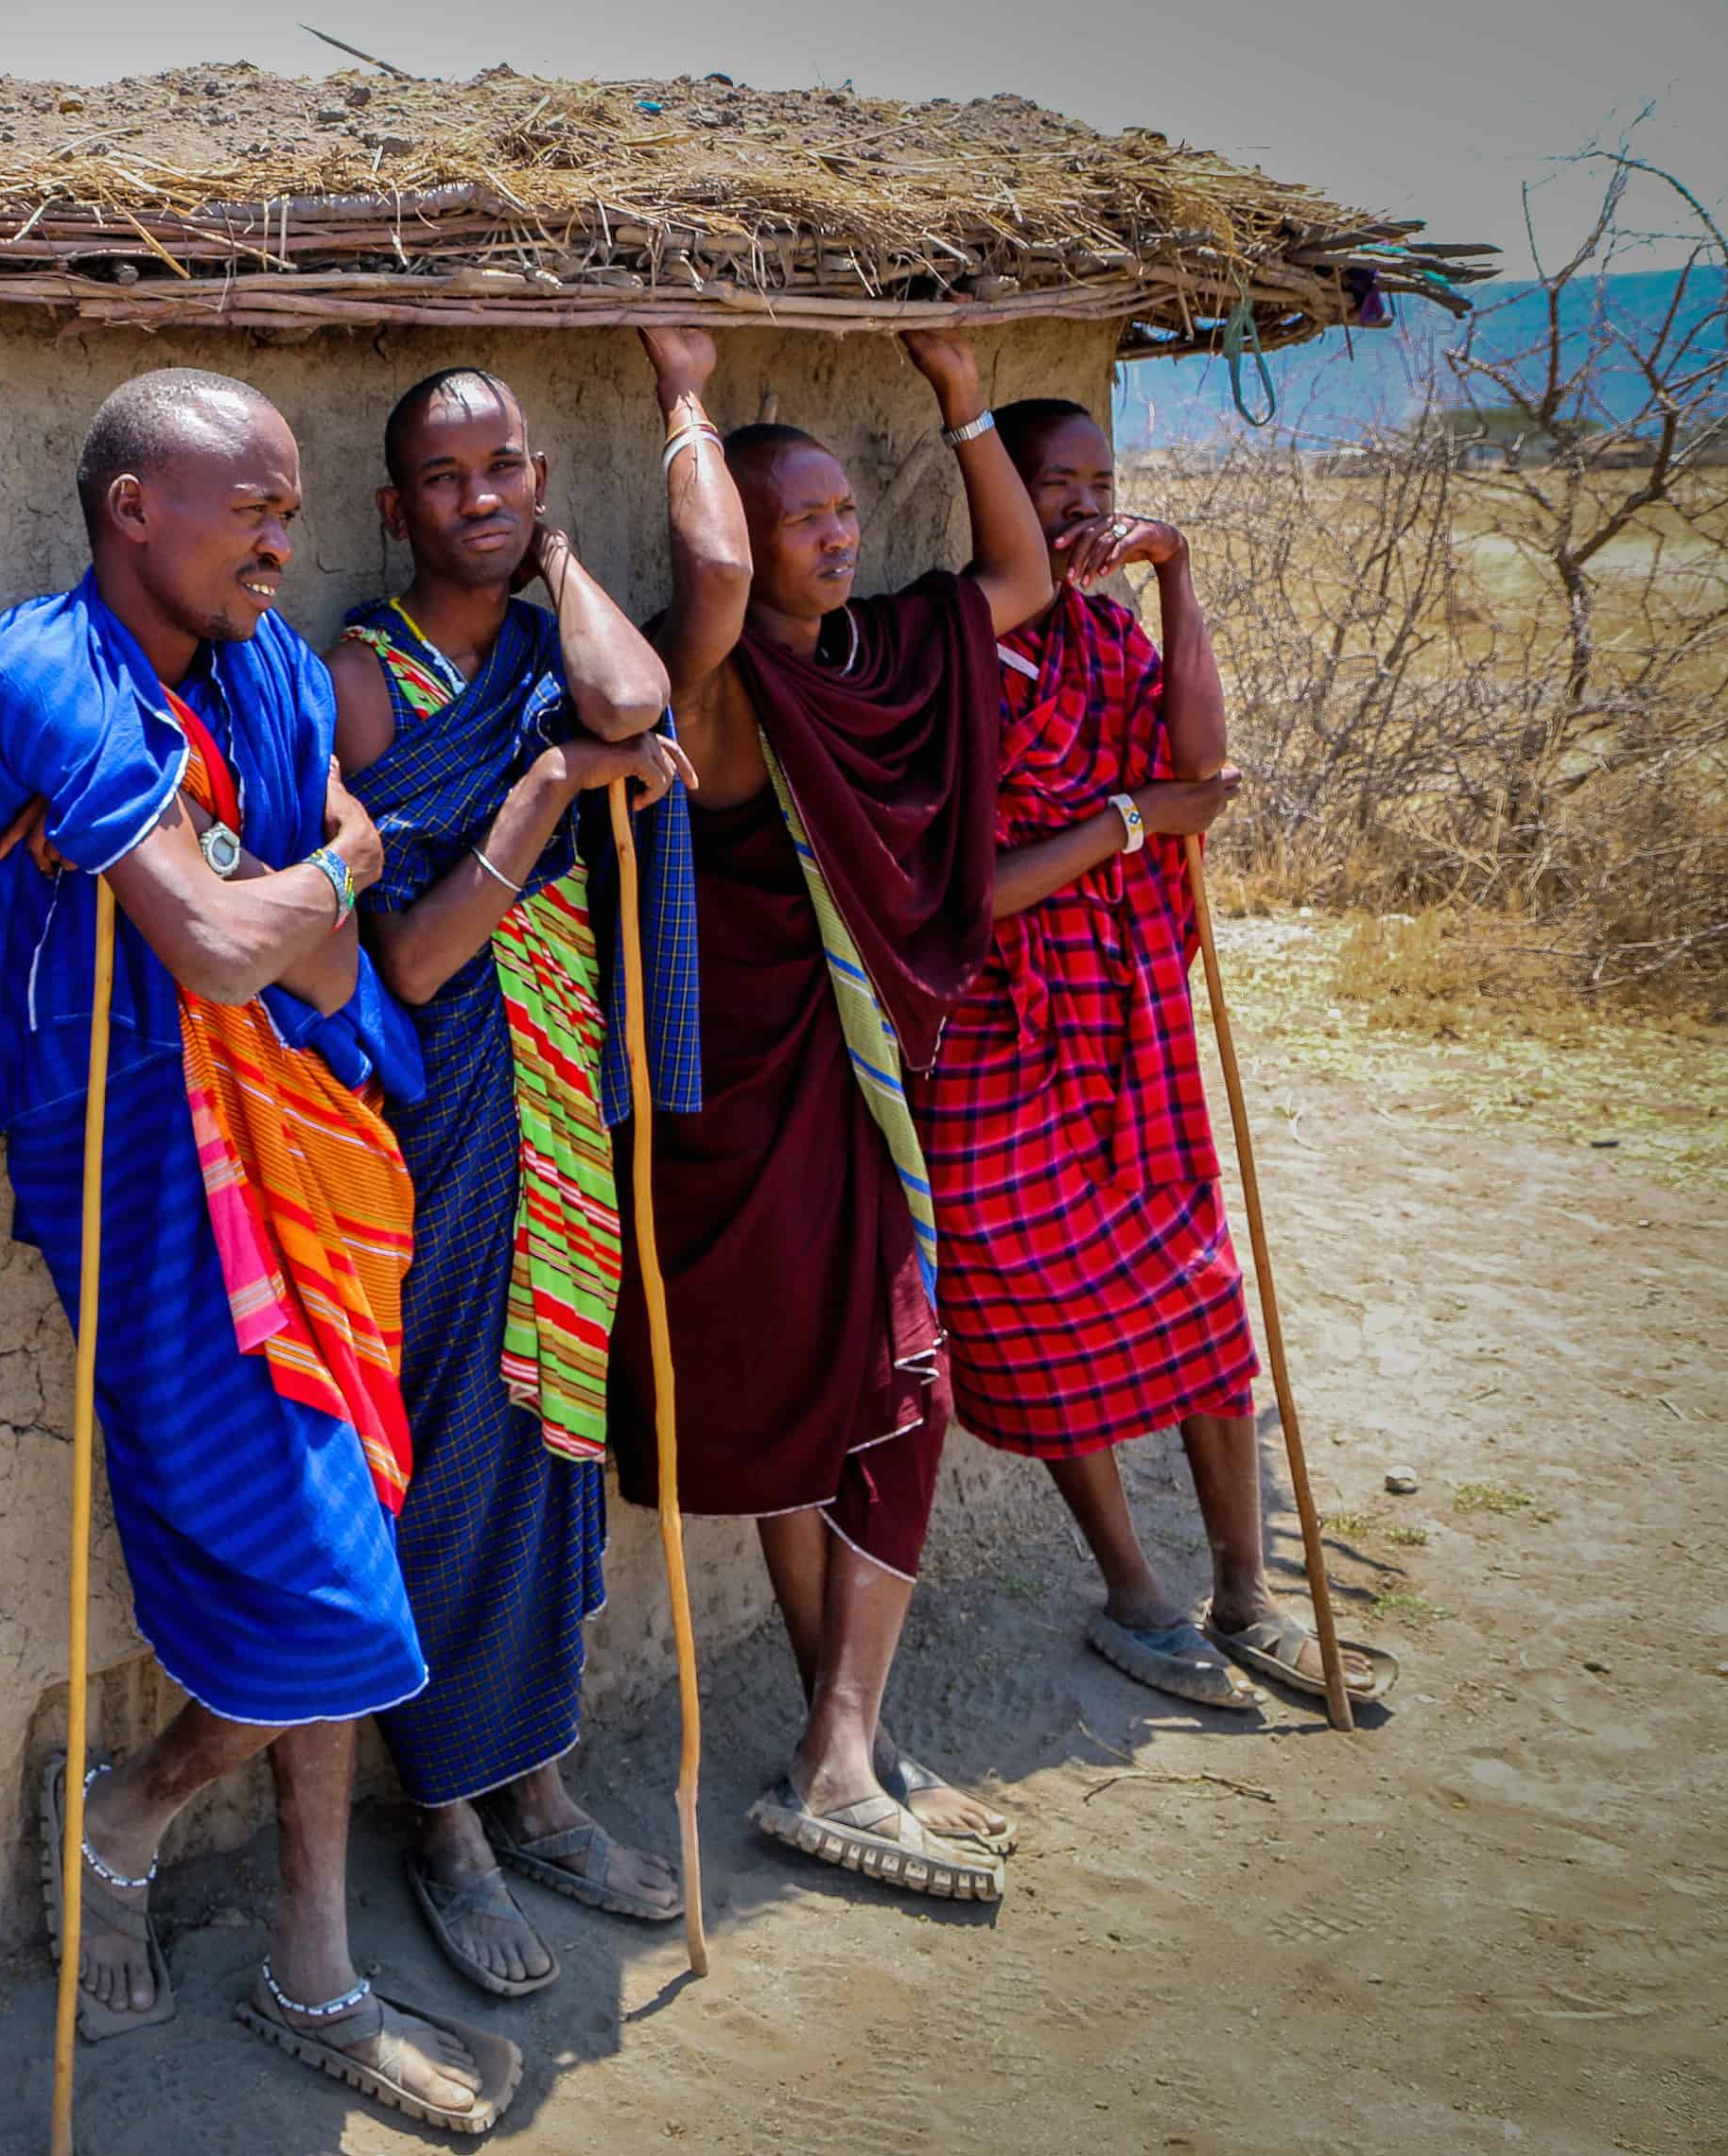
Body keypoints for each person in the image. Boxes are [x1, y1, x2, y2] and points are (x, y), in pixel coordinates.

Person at [0, 367, 516, 2136]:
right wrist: (320, 870)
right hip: (131, 1158)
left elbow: (315, 966)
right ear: (133, 510)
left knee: (341, 1522)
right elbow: (210, 943)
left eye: (291, 503)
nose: (288, 535)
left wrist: (297, 890)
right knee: (330, 1571)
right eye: (251, 506)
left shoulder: (270, 670)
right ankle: (134, 1822)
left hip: (308, 1142)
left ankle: (305, 1946)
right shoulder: (43, 673)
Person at [609, 328, 1052, 1903]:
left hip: (843, 1091)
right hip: (743, 1101)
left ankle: (838, 1737)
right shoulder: (715, 683)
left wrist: (964, 400)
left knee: (871, 1396)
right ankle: (842, 1743)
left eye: (848, 510)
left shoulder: (893, 657)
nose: (840, 536)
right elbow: (714, 579)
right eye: (803, 519)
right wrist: (687, 399)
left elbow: (1026, 580)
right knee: (865, 1400)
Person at [910, 398, 1394, 1712]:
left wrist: (1179, 577)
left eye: (1098, 482)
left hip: (1128, 1018)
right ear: (999, 494)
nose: (1080, 508)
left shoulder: (1111, 636)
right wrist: (1132, 823)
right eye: (1050, 484)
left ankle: (1246, 1590)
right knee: (1032, 1305)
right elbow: (963, 894)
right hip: (1005, 1033)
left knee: (1198, 1289)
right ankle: (1132, 1589)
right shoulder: (948, 652)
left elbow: (1205, 765)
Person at [327, 364, 698, 1993]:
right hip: (445, 1114)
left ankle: (539, 1780)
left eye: (506, 470)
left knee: (552, 1442)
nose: (478, 497)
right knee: (451, 1452)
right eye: (444, 477)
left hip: (565, 1104)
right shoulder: (362, 681)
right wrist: (543, 787)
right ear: (390, 506)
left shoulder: (554, 640)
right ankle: (447, 1820)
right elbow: (404, 959)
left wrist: (554, 567)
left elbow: (630, 706)